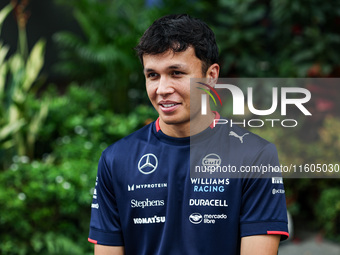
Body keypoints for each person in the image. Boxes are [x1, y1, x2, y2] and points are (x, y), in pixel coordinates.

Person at [88, 14, 289, 255]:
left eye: (176, 73)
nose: (162, 89)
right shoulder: (115, 159)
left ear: (211, 76)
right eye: (152, 75)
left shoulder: (254, 155)